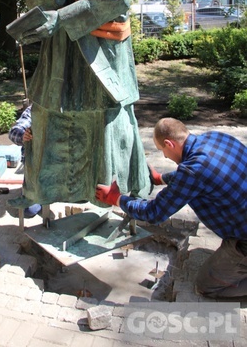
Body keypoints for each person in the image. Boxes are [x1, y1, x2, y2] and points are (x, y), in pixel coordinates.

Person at [7, 0, 150, 211]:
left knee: (102, 121)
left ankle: (108, 197)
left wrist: (60, 17)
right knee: (48, 115)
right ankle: (46, 193)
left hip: (99, 55)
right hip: (61, 55)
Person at [95, 117, 247, 299]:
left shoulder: (193, 170)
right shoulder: (216, 138)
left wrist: (116, 198)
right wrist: (161, 178)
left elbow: (154, 213)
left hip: (243, 239)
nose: (165, 157)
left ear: (169, 143)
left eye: (162, 151)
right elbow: (199, 172)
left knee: (205, 286)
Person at [8, 104, 42, 218]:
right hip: (36, 168)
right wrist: (23, 136)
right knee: (30, 210)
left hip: (59, 166)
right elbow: (13, 131)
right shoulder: (35, 109)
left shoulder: (65, 109)